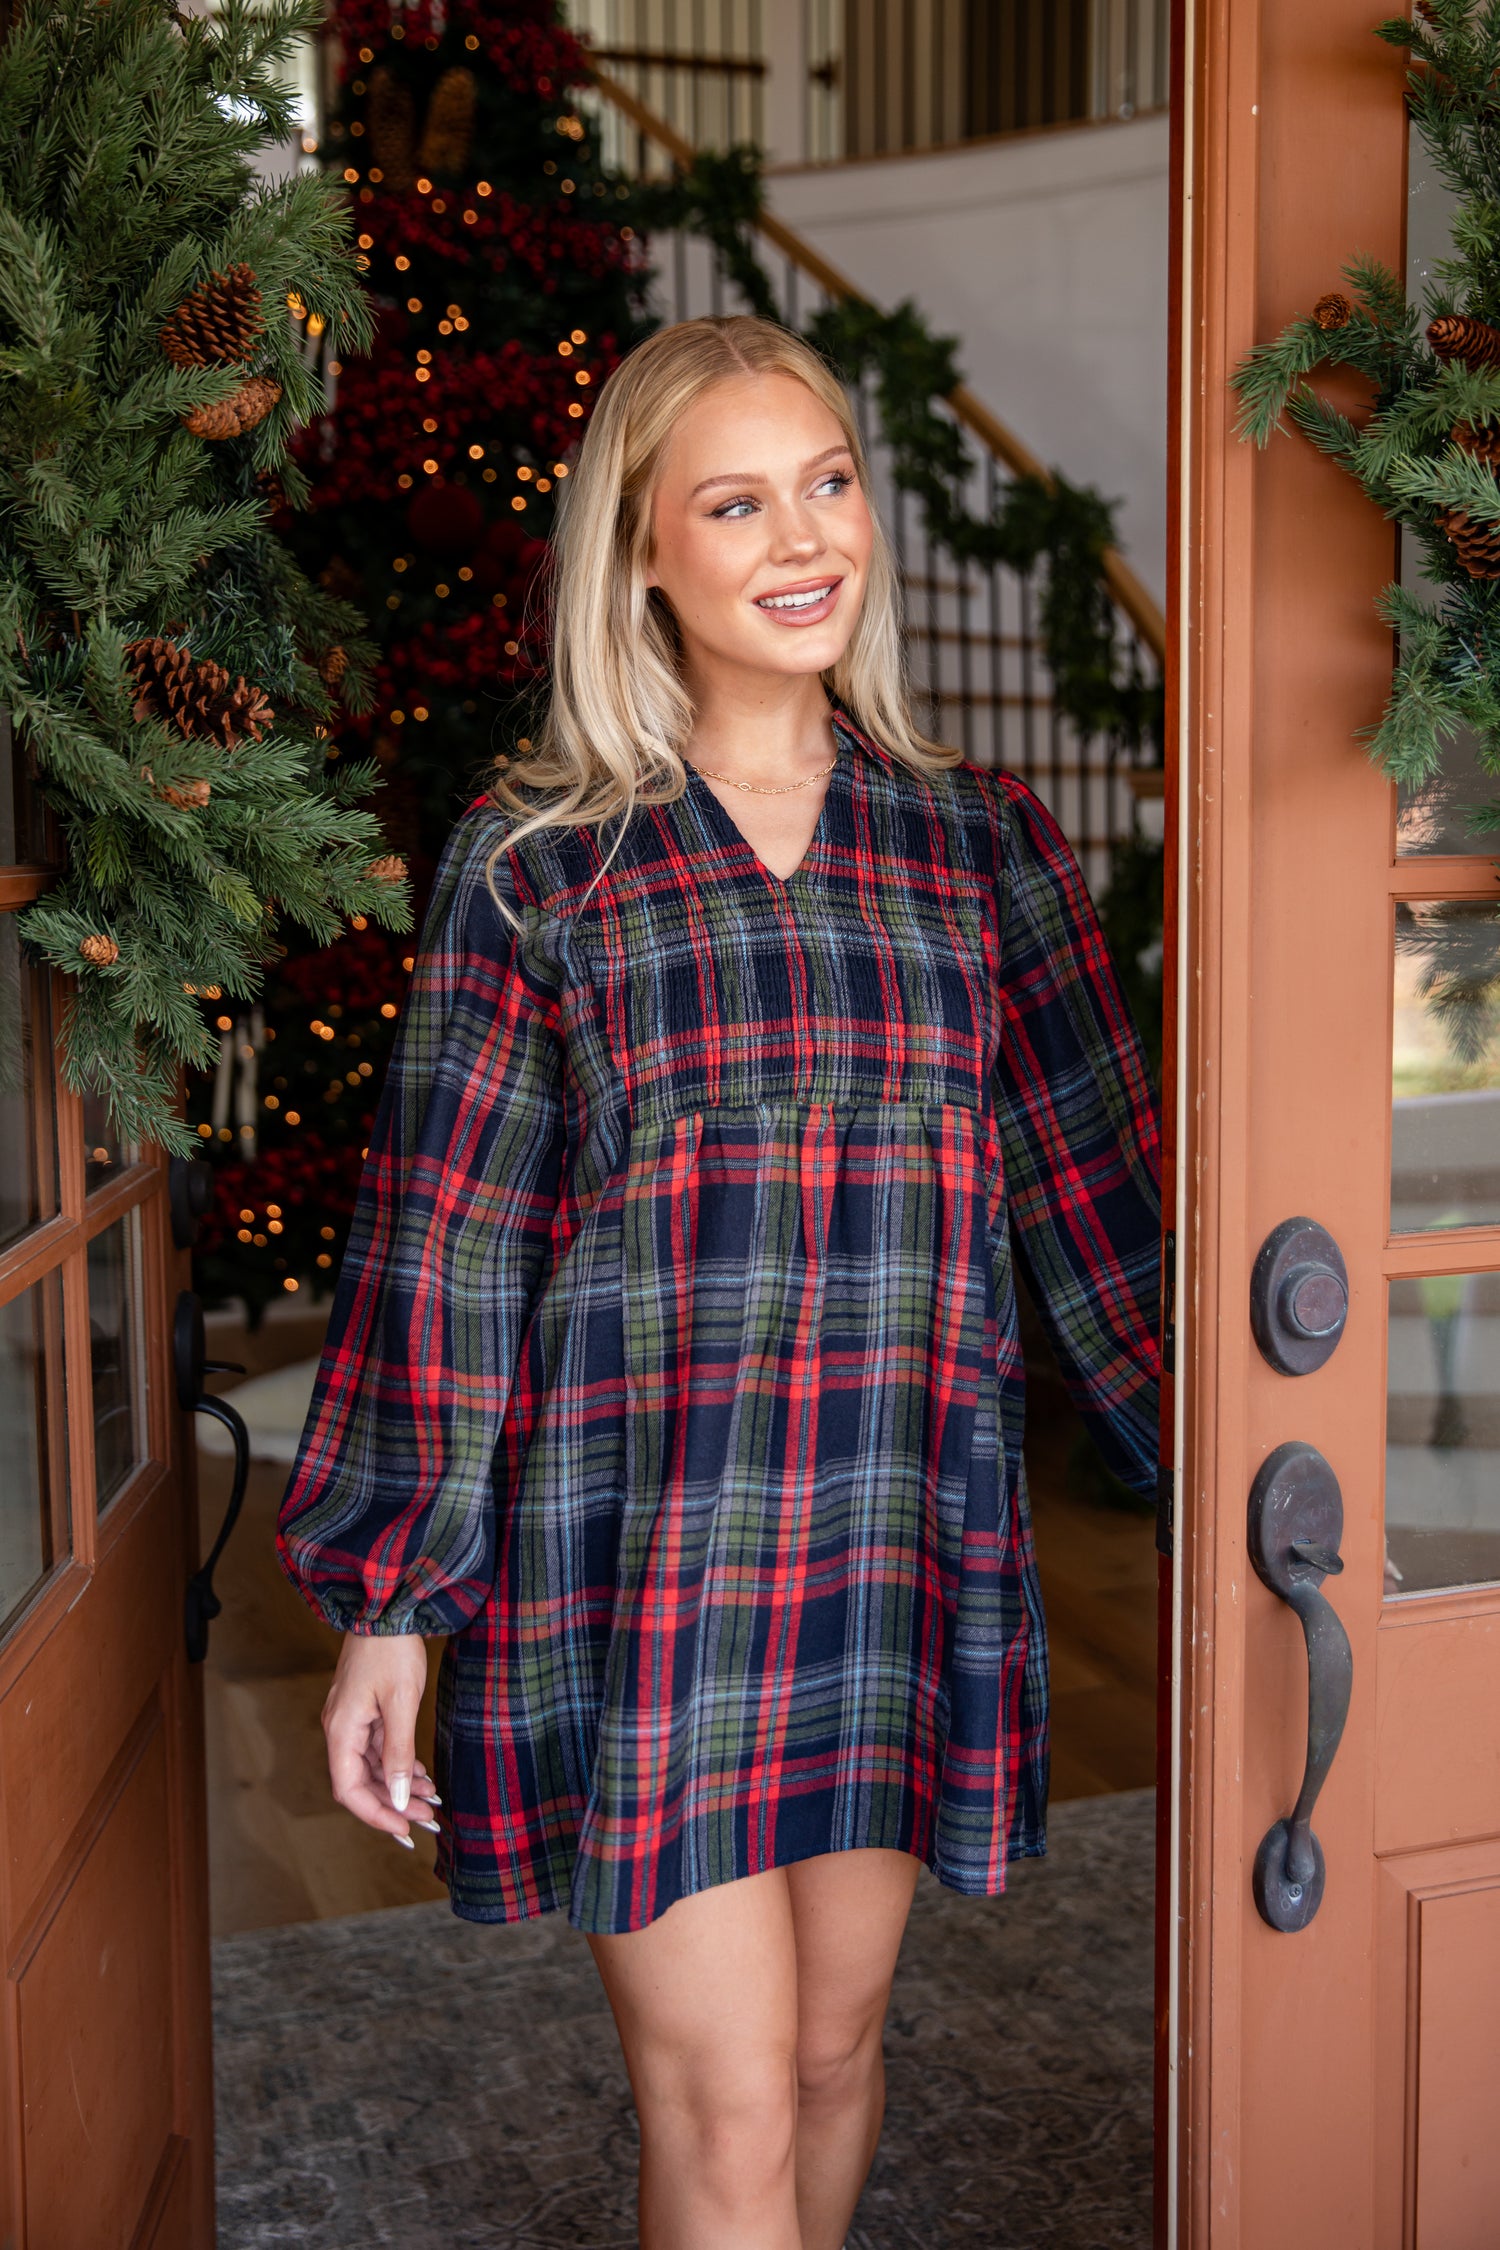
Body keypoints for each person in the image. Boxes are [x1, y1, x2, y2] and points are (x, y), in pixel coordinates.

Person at [277, 314, 1161, 2249]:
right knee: (733, 2103)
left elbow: (1109, 1211)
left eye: (829, 483)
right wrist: (393, 1606)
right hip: (641, 1564)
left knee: (835, 2064)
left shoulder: (978, 849)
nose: (803, 537)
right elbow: (454, 1240)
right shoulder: (539, 867)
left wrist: (1270, 1497)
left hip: (889, 1544)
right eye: (737, 500)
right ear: (642, 554)